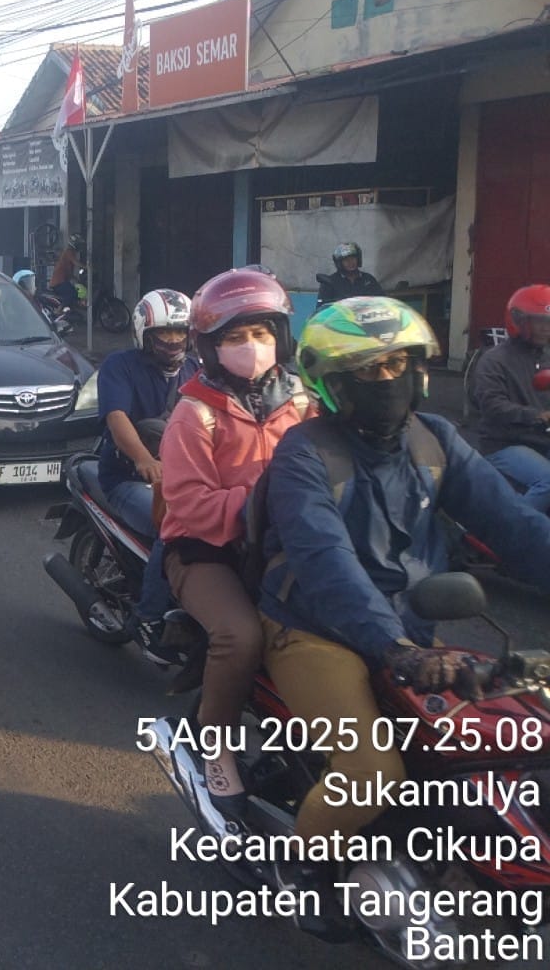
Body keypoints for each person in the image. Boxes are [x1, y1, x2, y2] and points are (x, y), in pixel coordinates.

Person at [258, 296, 550, 927]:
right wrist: (396, 647)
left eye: (396, 364)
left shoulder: (436, 440)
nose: (386, 381)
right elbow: (327, 564)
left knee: (502, 740)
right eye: (367, 370)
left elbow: (515, 525)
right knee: (372, 770)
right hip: (317, 629)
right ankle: (301, 867)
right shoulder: (303, 455)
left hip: (414, 633)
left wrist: (408, 643)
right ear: (331, 383)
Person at [158, 268, 310, 822]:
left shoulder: (302, 400)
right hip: (206, 552)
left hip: (287, 544)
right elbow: (189, 503)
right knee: (240, 636)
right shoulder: (193, 413)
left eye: (262, 333)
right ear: (210, 346)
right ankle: (214, 742)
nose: (252, 347)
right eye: (235, 337)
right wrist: (258, 505)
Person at [94, 290, 196, 651]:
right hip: (127, 477)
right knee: (174, 530)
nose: (172, 342)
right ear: (144, 334)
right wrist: (144, 460)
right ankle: (150, 619)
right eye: (163, 335)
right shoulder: (120, 366)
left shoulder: (195, 370)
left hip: (185, 479)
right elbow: (116, 417)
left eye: (178, 333)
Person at [467, 285, 550, 512]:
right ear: (520, 321)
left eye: (549, 322)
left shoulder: (546, 357)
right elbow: (492, 405)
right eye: (539, 321)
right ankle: (508, 531)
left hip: (541, 439)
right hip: (504, 443)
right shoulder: (495, 360)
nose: (546, 328)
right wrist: (538, 416)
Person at [315, 241, 382, 306]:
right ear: (339, 263)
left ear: (358, 259)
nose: (350, 262)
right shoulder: (330, 282)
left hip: (367, 315)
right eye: (346, 260)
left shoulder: (368, 279)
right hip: (340, 317)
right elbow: (321, 308)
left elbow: (382, 300)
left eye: (353, 258)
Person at [48, 234, 84, 305]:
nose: (80, 246)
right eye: (79, 244)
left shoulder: (71, 253)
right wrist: (88, 267)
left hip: (62, 281)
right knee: (72, 293)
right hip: (58, 282)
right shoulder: (69, 252)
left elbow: (69, 273)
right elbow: (76, 262)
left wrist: (77, 280)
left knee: (76, 294)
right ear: (75, 244)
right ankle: (59, 310)